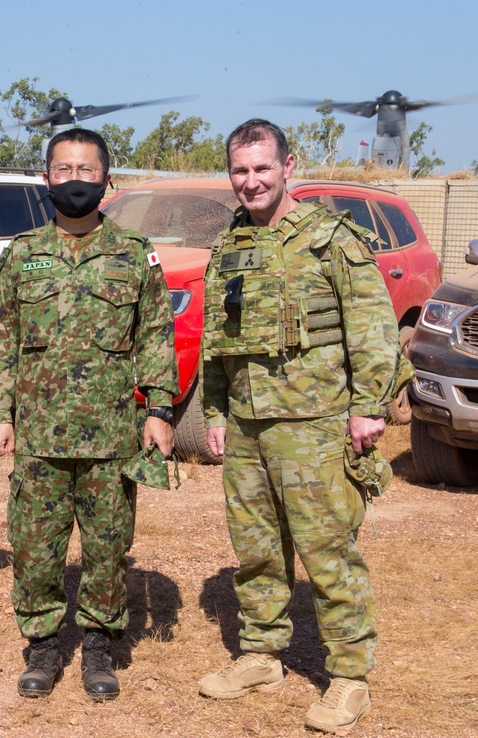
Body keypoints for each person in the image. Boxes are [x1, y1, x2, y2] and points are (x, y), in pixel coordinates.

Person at [198, 119, 399, 733]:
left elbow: (373, 329)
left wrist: (369, 407)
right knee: (256, 551)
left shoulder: (329, 238)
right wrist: (215, 411)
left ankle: (349, 676)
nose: (251, 181)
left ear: (289, 165)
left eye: (262, 168)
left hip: (313, 425)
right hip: (248, 425)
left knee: (328, 552)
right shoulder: (230, 243)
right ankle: (261, 654)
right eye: (240, 170)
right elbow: (218, 340)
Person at [0, 129, 179, 701]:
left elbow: (157, 335)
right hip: (38, 433)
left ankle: (96, 645)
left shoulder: (135, 254)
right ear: (47, 179)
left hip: (111, 434)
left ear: (105, 180)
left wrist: (159, 408)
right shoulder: (21, 255)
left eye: (86, 170)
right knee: (35, 546)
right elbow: (3, 341)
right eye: (63, 170)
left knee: (107, 545)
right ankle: (42, 644)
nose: (74, 181)